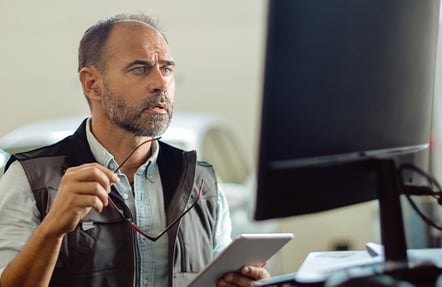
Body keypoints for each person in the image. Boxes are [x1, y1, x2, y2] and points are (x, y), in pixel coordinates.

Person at [0, 13, 269, 287]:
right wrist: (52, 229)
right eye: (140, 68)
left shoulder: (202, 182)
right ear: (92, 84)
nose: (161, 83)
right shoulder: (29, 178)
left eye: (166, 69)